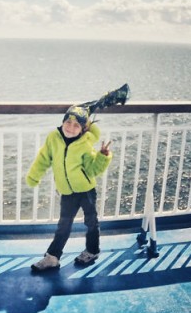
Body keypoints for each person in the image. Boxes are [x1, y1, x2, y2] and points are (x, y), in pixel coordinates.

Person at [27, 84, 130, 272]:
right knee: (63, 225)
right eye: (68, 122)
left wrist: (103, 156)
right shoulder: (53, 139)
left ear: (83, 129)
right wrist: (34, 176)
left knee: (91, 222)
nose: (71, 127)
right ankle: (52, 258)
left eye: (76, 125)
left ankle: (92, 250)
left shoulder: (84, 144)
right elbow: (43, 158)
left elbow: (92, 169)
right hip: (67, 191)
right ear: (63, 122)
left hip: (86, 190)